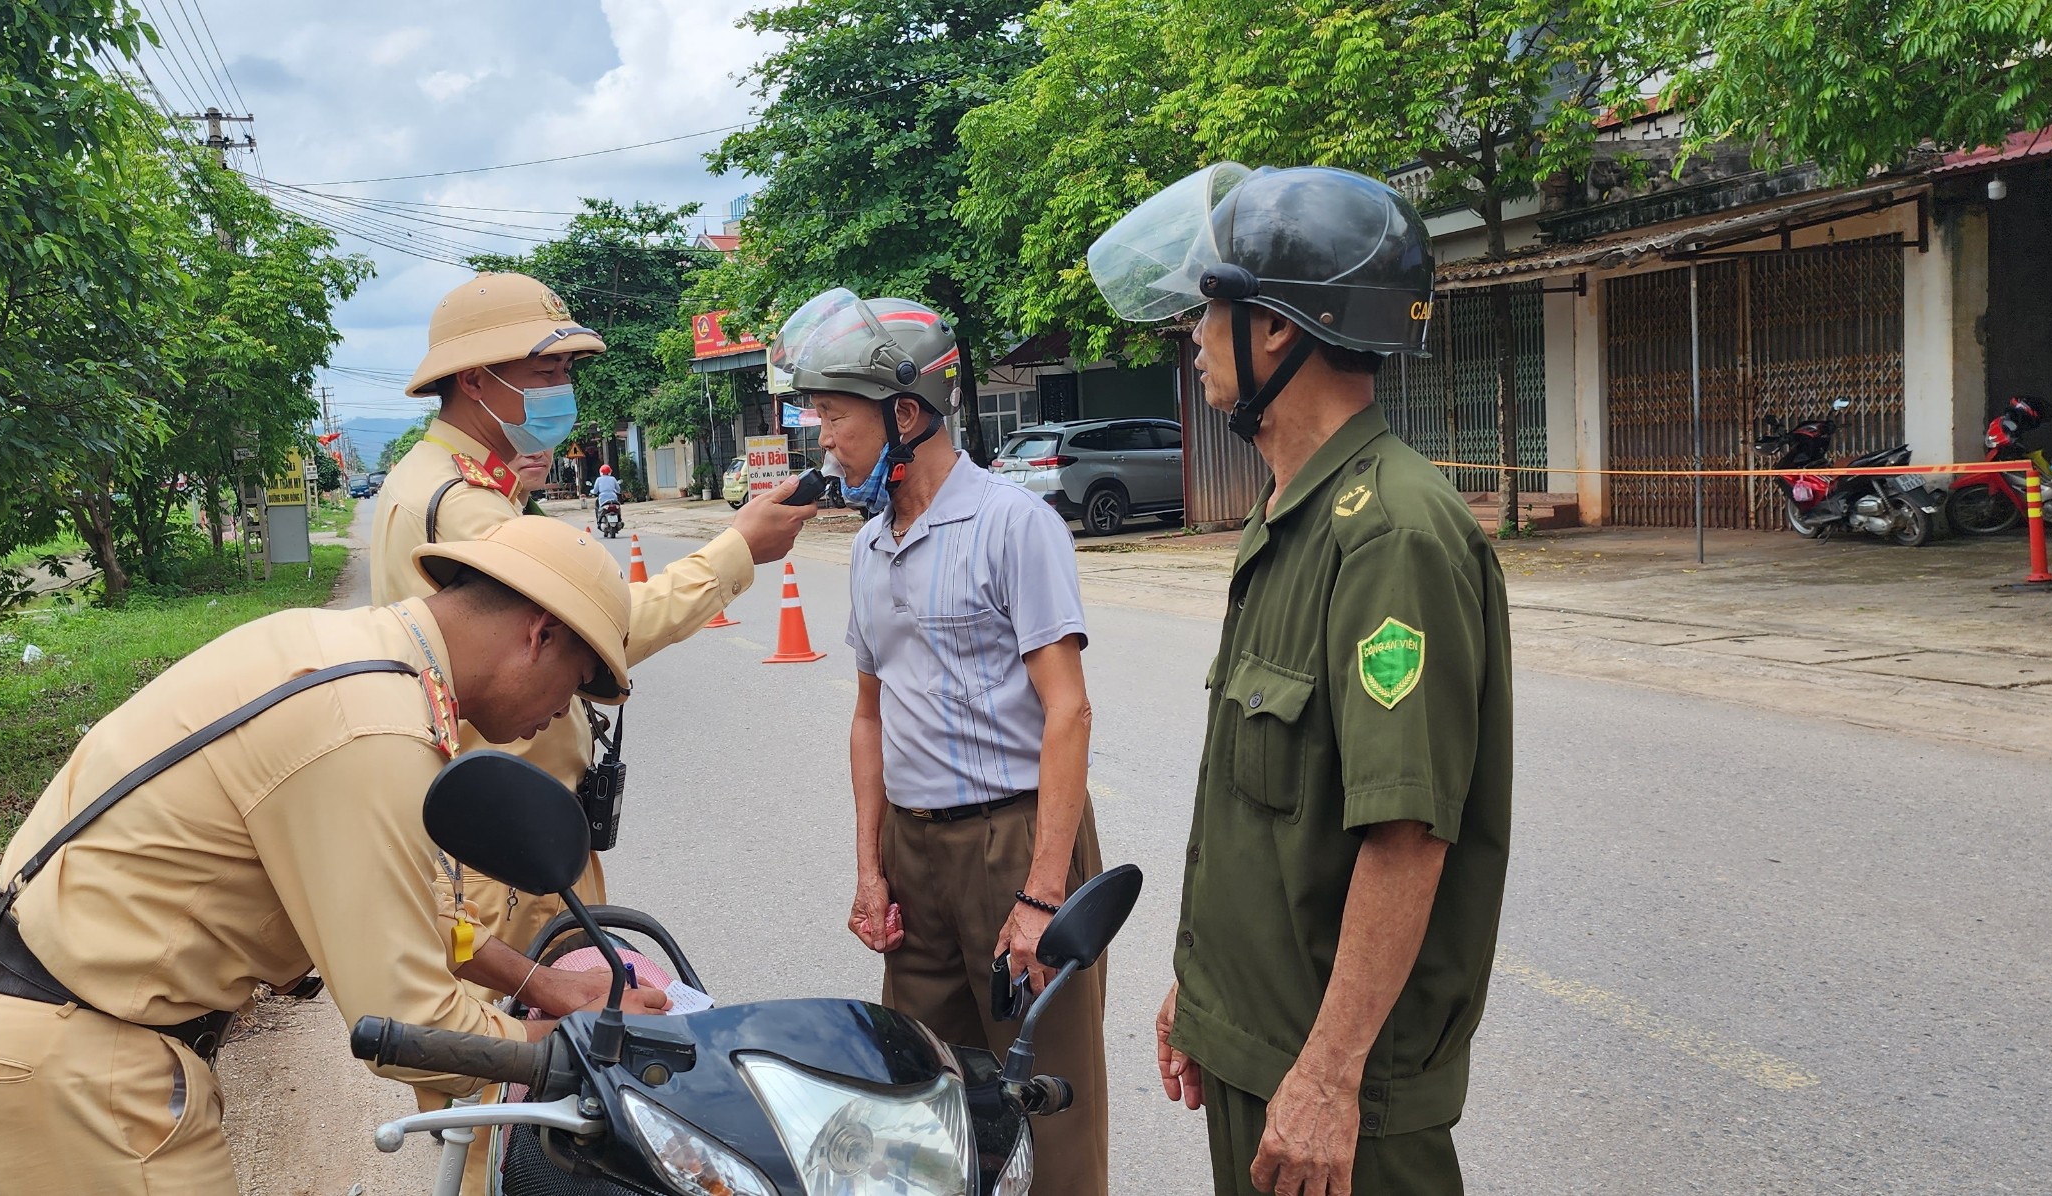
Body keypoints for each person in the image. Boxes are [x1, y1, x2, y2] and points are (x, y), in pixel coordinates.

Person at [0, 517, 674, 1196]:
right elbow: (409, 1029)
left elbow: (423, 913)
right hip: (81, 1083)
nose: (561, 715)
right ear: (538, 635)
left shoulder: (352, 656)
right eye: (575, 688)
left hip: (50, 1045)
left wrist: (545, 985)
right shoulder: (370, 730)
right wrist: (585, 1046)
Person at [1088, 164, 1514, 1196]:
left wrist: (1326, 1072)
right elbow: (1260, 811)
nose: (1194, 334)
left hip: (1337, 1094)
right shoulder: (1292, 514)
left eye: (1211, 306)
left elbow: (1405, 832)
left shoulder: (1393, 534)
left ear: (1277, 329)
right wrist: (1205, 992)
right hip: (1261, 1047)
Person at [369, 272, 817, 959]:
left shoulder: (454, 482)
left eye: (564, 370)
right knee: (536, 1048)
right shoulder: (458, 504)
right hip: (505, 856)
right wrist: (737, 551)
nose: (561, 388)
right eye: (545, 371)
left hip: (516, 828)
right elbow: (597, 629)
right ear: (477, 382)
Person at [773, 289, 1110, 1196]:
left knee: (1048, 1101)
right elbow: (869, 716)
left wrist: (1042, 896)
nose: (823, 437)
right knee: (922, 1100)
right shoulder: (871, 547)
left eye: (836, 416)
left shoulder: (1014, 525)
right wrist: (870, 868)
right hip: (913, 854)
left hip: (1016, 843)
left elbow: (1068, 713)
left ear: (907, 414)